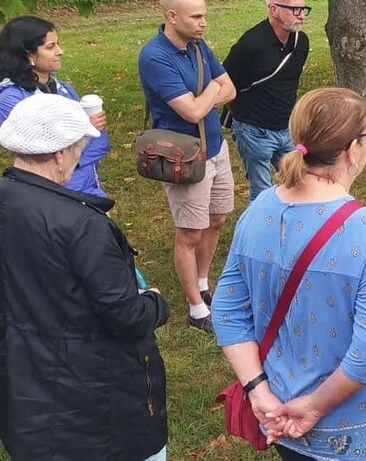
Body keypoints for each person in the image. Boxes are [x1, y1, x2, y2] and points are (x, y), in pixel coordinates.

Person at [213, 88, 366, 461]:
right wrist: (315, 407)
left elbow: (226, 311)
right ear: (353, 149)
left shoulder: (260, 208)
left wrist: (259, 391)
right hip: (359, 426)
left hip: (280, 413)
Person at [0, 94, 169, 460]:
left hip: (21, 388)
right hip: (95, 402)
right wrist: (154, 301)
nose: (81, 156)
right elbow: (126, 316)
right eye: (80, 148)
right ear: (59, 153)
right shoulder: (82, 224)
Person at [138, 0, 237, 334]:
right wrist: (211, 89)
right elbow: (192, 112)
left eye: (205, 15)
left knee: (217, 218)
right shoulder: (154, 57)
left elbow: (232, 89)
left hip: (216, 149)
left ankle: (203, 282)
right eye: (196, 17)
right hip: (185, 158)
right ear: (171, 16)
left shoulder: (198, 46)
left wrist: (203, 99)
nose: (203, 23)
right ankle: (196, 310)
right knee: (190, 232)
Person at [0, 15, 109, 197]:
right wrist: (86, 130)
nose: (60, 51)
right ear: (28, 54)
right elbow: (41, 155)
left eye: (58, 44)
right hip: (54, 195)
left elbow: (99, 143)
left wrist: (83, 138)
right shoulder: (11, 99)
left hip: (88, 187)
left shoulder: (64, 89)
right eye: (50, 47)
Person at [223, 0, 310, 201]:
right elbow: (227, 84)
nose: (301, 15)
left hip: (286, 129)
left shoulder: (301, 43)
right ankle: (261, 230)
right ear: (274, 9)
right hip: (254, 130)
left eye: (303, 9)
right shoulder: (250, 45)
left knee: (301, 180)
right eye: (295, 9)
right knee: (262, 191)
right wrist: (245, 119)